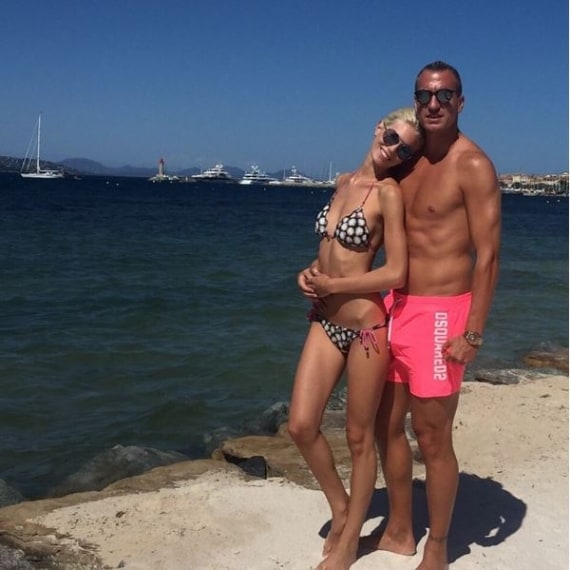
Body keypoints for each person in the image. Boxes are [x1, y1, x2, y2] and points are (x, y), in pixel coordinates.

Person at [288, 107, 423, 570]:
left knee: (359, 437)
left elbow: (395, 271)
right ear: (378, 129)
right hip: (325, 319)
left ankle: (349, 544)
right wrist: (309, 274)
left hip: (367, 327)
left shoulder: (388, 193)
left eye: (406, 151)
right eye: (392, 138)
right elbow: (330, 251)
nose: (395, 150)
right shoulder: (344, 181)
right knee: (300, 425)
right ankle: (342, 508)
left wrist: (336, 284)